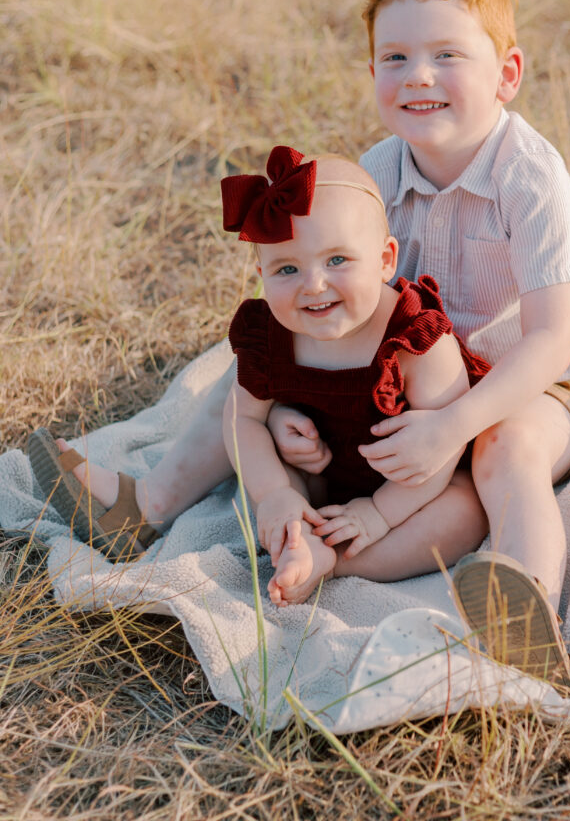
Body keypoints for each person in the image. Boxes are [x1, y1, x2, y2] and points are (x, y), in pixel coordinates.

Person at [28, 0, 570, 694]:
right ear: (372, 76)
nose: (418, 75)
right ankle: (150, 502)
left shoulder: (531, 181)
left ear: (507, 73)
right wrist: (296, 401)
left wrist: (453, 425)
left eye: (446, 55)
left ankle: (523, 603)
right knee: (252, 382)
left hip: (526, 389)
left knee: (502, 449)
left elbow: (551, 341)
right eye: (394, 56)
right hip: (401, 379)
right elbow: (335, 301)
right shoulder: (376, 173)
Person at [28, 147, 490, 608]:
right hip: (317, 475)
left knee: (466, 512)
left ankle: (335, 561)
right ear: (261, 273)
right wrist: (274, 495)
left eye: (337, 261)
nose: (313, 285)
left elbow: (442, 450)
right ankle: (226, 520)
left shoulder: (417, 340)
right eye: (287, 268)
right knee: (262, 450)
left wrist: (379, 513)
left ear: (386, 260)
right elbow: (242, 420)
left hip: (408, 492)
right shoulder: (269, 334)